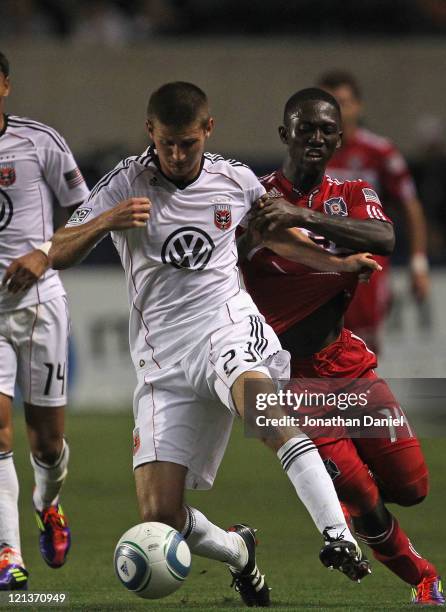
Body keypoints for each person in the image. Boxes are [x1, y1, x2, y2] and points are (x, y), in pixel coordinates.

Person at [44, 82, 374, 606]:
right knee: (159, 516)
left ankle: (338, 535)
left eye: (188, 144)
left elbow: (277, 235)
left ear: (208, 131)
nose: (176, 155)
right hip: (161, 363)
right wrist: (108, 220)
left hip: (226, 327)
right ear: (150, 132)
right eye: (166, 143)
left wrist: (337, 264)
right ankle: (239, 552)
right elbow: (55, 250)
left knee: (265, 415)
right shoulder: (125, 182)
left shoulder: (235, 179)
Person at [241, 87, 445, 605]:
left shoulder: (351, 191)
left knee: (412, 488)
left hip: (348, 365)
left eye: (325, 130)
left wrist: (303, 217)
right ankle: (422, 576)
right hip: (289, 380)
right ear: (284, 133)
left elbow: (384, 239)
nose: (315, 137)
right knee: (359, 492)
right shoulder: (254, 197)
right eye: (304, 128)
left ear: (338, 138)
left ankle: (357, 495)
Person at [0, 51, 88, 589]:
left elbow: (84, 215)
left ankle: (47, 503)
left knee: (46, 445)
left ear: (5, 85)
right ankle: (8, 554)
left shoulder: (40, 142)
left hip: (38, 307)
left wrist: (44, 254)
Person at [316, 70, 430, 354]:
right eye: (328, 103)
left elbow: (410, 205)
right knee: (317, 346)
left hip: (367, 261)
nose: (336, 110)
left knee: (362, 347)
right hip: (318, 258)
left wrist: (418, 263)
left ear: (358, 105)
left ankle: (359, 398)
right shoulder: (310, 151)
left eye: (342, 101)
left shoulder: (379, 152)